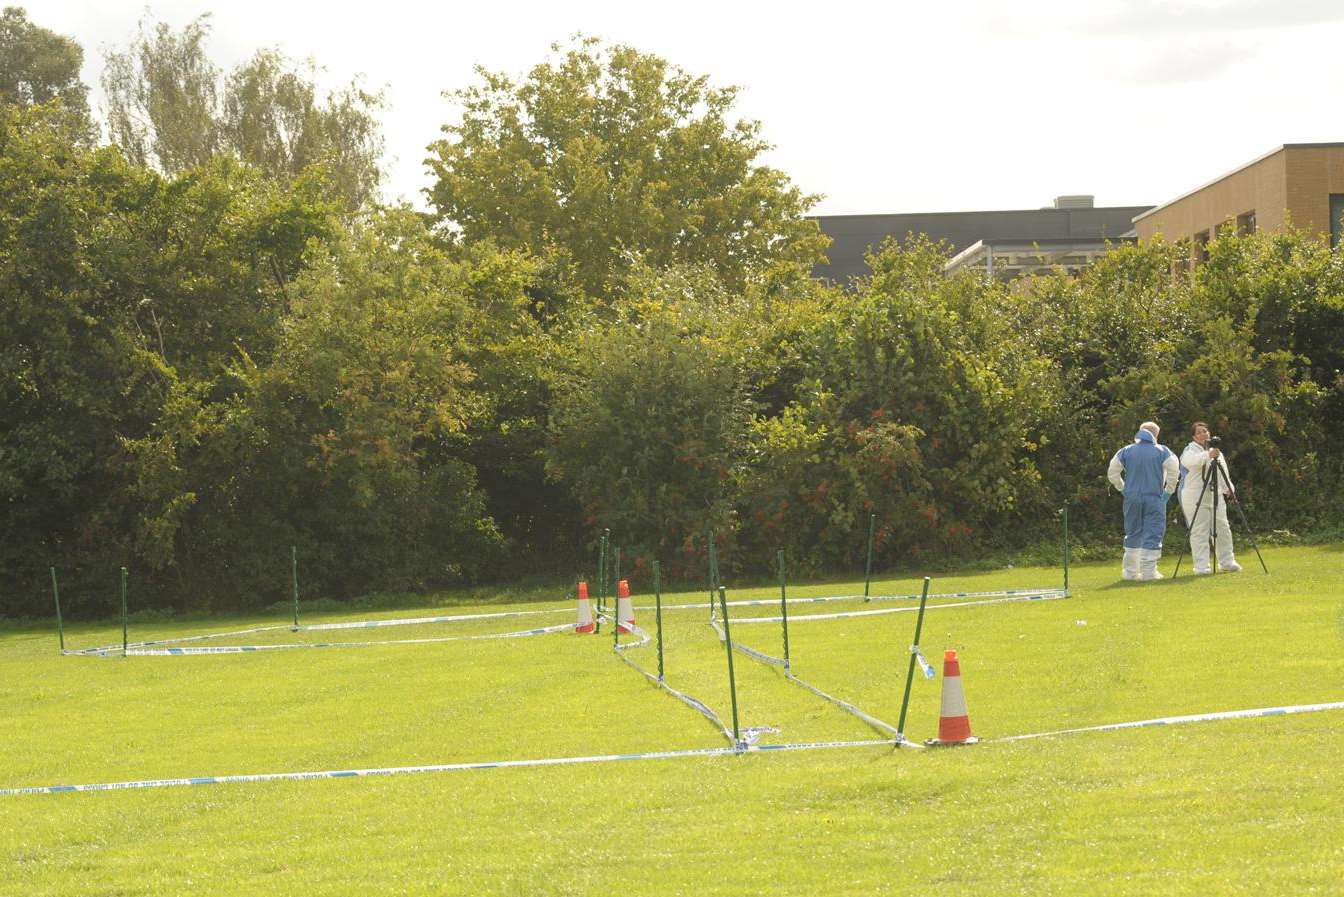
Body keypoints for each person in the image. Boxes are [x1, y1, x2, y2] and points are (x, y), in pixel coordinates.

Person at [1107, 421, 1180, 580]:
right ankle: (1149, 572)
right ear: (1156, 435)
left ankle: (1130, 572)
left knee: (1132, 532)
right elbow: (1174, 472)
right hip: (1154, 497)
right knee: (1153, 533)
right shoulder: (1163, 451)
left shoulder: (1126, 450)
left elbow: (1112, 472)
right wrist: (1167, 493)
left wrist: (1122, 488)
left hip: (1132, 497)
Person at [1179, 421, 1241, 574]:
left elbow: (1223, 473)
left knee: (1222, 527)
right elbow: (1189, 462)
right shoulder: (1190, 450)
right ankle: (1201, 566)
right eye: (1199, 432)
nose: (1203, 434)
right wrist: (1208, 455)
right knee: (1200, 530)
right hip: (1194, 495)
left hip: (1215, 493)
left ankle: (1227, 562)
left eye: (1205, 431)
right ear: (1194, 436)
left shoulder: (1217, 452)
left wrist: (1229, 490)